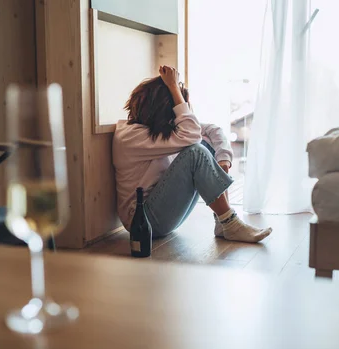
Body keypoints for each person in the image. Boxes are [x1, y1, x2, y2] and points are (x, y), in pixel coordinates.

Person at [112, 66, 272, 243]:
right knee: (195, 151)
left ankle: (223, 222)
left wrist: (223, 159)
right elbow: (192, 134)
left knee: (204, 143)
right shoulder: (131, 136)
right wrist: (173, 86)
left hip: (161, 214)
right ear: (164, 109)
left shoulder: (157, 129)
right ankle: (230, 223)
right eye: (178, 106)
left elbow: (212, 130)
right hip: (143, 222)